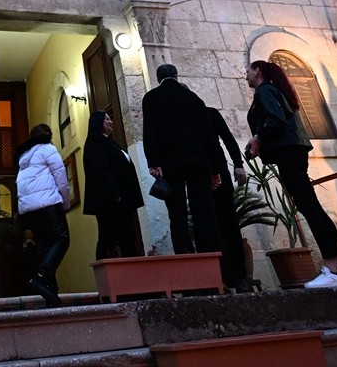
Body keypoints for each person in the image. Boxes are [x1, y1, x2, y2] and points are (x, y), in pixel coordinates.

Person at [244, 60, 337, 289]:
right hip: (295, 150)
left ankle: (333, 270)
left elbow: (275, 118)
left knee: (309, 207)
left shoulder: (265, 91)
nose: (245, 75)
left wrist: (258, 137)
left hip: (287, 152)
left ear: (257, 71)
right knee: (313, 207)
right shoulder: (275, 90)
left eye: (247, 71)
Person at [142, 63, 222, 255]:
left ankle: (185, 256)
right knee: (204, 211)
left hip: (171, 163)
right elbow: (208, 135)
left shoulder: (152, 97)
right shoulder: (193, 98)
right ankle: (209, 257)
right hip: (198, 161)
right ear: (177, 76)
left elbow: (150, 131)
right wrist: (214, 168)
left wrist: (154, 162)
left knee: (177, 213)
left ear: (158, 78)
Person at [16, 123, 70, 307]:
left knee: (46, 248)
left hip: (29, 209)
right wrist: (65, 203)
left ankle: (51, 296)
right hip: (48, 205)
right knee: (62, 240)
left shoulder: (24, 156)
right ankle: (40, 277)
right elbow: (61, 178)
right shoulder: (48, 148)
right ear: (48, 135)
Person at [82, 109, 144, 260]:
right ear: (98, 123)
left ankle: (131, 267)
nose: (111, 122)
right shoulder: (94, 142)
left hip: (122, 199)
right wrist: (114, 193)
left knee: (127, 235)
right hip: (109, 200)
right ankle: (106, 270)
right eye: (107, 119)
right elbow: (100, 170)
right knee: (108, 236)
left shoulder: (108, 141)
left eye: (110, 119)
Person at [208, 106, 251, 292]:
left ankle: (239, 276)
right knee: (210, 227)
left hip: (219, 174)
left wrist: (238, 164)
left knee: (229, 224)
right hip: (199, 177)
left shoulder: (210, 114)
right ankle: (217, 279)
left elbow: (228, 139)